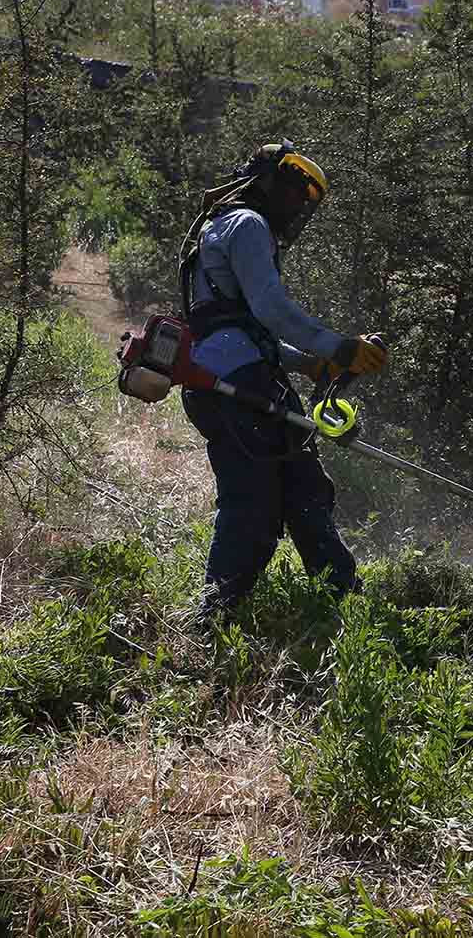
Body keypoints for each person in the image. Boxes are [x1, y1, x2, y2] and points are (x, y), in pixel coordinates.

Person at [177, 140, 387, 619]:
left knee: (303, 486)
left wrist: (310, 365)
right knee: (253, 501)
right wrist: (337, 347)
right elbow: (271, 311)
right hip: (238, 383)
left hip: (238, 375)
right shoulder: (247, 223)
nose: (297, 209)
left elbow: (241, 328)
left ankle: (344, 602)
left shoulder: (221, 227)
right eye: (294, 194)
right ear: (267, 183)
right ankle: (214, 614)